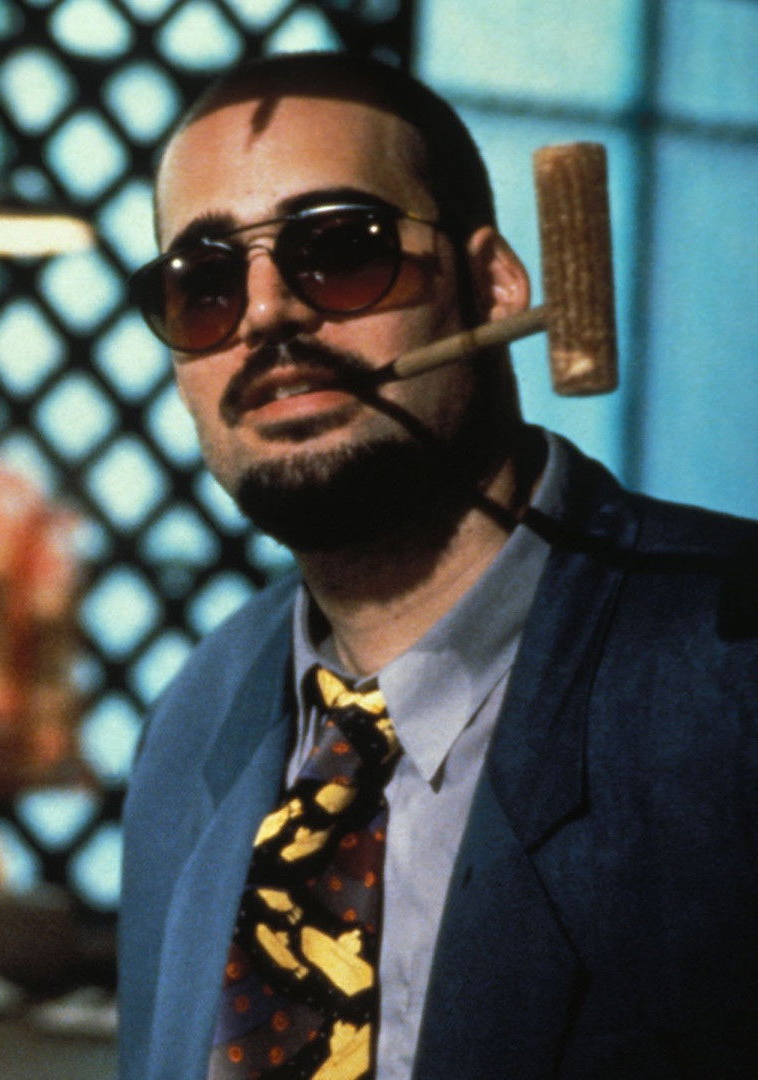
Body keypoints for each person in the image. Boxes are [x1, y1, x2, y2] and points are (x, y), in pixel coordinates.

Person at [117, 52, 758, 1080]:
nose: (268, 314)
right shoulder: (197, 717)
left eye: (340, 249)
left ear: (493, 286)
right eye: (206, 285)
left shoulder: (729, 662)